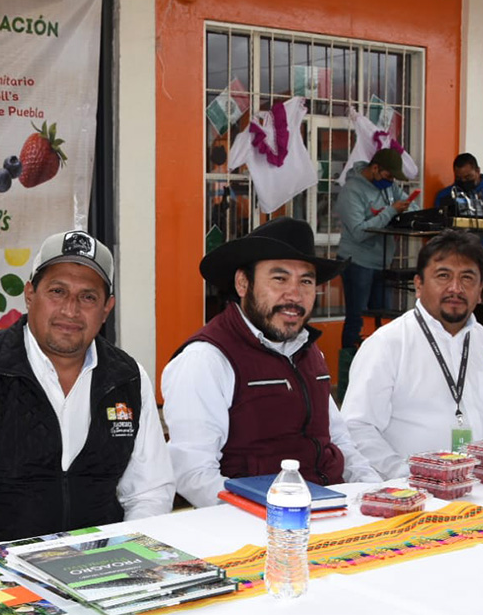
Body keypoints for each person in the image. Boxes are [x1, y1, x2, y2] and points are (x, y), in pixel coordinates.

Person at [0, 230, 174, 541]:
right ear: (30, 294)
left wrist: (124, 552)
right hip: (2, 571)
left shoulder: (128, 378)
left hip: (103, 566)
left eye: (88, 297)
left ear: (107, 308)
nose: (71, 309)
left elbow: (149, 493)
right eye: (57, 291)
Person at [162, 217, 381, 508]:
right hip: (256, 526)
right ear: (243, 283)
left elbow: (339, 440)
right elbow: (194, 474)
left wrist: (375, 492)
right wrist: (274, 519)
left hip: (334, 512)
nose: (294, 294)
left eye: (306, 281)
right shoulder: (206, 359)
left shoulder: (309, 351)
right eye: (279, 279)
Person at [340, 229, 483, 479]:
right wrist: (407, 476)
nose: (455, 288)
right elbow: (357, 427)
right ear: (419, 285)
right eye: (443, 276)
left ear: (480, 290)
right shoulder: (388, 344)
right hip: (415, 495)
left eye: (467, 278)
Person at [335, 147, 419, 350]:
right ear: (374, 168)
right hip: (357, 263)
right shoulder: (352, 191)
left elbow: (413, 208)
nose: (391, 181)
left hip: (382, 262)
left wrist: (404, 212)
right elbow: (359, 232)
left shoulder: (389, 187)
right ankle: (350, 372)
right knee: (358, 321)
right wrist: (390, 212)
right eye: (388, 175)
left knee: (383, 322)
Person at [434, 153, 483, 299]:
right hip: (457, 257)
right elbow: (438, 225)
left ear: (477, 171)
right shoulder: (446, 195)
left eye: (468, 177)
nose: (464, 181)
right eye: (459, 178)